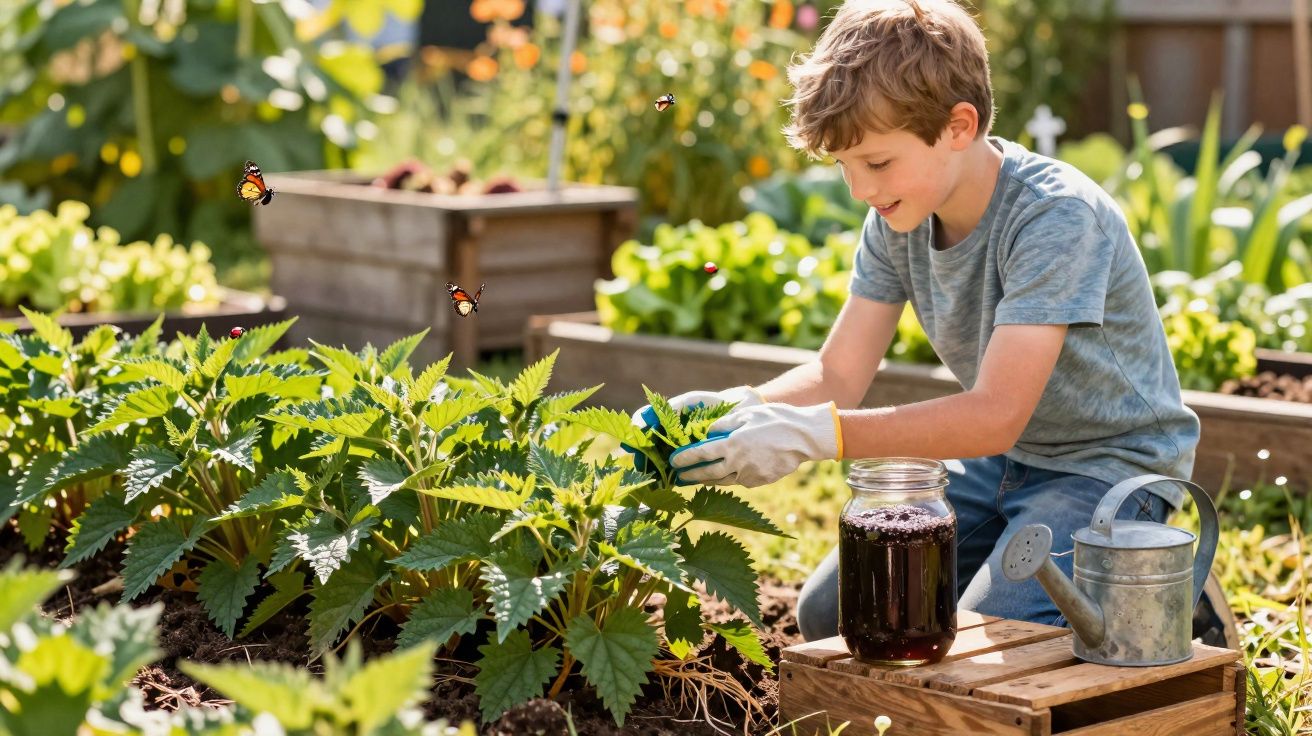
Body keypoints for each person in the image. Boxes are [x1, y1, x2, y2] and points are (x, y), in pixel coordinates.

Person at [627, 0, 1238, 649]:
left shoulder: (1056, 218)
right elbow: (837, 373)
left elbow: (995, 411)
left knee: (995, 638)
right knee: (838, 614)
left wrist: (816, 436)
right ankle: (1073, 576)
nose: (860, 188)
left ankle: (1162, 591)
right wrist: (733, 411)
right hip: (1005, 459)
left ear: (958, 126)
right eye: (845, 167)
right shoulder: (899, 218)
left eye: (878, 162)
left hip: (1111, 468)